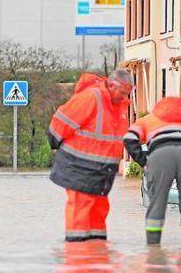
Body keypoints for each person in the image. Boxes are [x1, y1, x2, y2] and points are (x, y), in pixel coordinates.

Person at [48, 70, 133, 242]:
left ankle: (97, 252)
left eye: (127, 94)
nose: (124, 97)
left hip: (102, 170)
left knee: (99, 208)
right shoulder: (90, 98)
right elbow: (60, 123)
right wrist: (54, 145)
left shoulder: (119, 106)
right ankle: (77, 253)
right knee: (80, 205)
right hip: (79, 166)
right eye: (122, 93)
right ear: (111, 85)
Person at [123, 97, 181, 245]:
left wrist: (144, 161)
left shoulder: (148, 119)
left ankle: (154, 248)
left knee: (157, 202)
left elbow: (129, 138)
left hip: (160, 154)